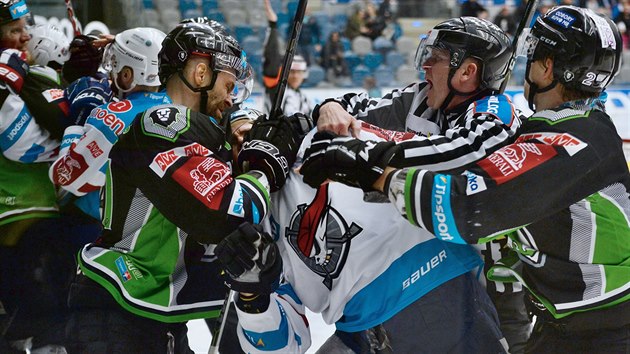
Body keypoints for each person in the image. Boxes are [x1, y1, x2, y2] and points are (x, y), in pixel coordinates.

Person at [301, 6, 629, 353]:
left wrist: (374, 174)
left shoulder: (565, 143)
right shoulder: (579, 130)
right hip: (565, 322)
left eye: (534, 54)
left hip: (601, 331)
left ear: (547, 66)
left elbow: (466, 206)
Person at [62, 21, 299, 353]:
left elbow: (220, 137)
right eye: (229, 87)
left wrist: (247, 126)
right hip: (118, 308)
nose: (231, 100)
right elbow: (223, 215)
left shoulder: (193, 131)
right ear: (200, 74)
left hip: (155, 315)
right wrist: (265, 166)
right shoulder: (160, 125)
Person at [310, 16, 531, 353]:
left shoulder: (497, 112)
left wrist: (369, 157)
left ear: (467, 72)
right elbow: (353, 109)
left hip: (495, 287)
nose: (425, 67)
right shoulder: (419, 100)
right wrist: (329, 107)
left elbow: (464, 154)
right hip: (423, 282)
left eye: (437, 58)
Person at [213, 110, 507, 353]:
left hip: (442, 291)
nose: (243, 140)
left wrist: (331, 111)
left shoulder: (336, 133)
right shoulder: (254, 234)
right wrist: (254, 299)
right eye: (234, 140)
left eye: (251, 130)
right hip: (363, 330)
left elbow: (444, 159)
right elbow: (284, 346)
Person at [262, 0, 312, 116]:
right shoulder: (276, 88)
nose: (295, 76)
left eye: (299, 72)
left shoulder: (304, 98)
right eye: (292, 72)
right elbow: (271, 56)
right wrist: (273, 25)